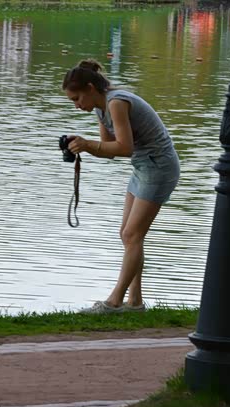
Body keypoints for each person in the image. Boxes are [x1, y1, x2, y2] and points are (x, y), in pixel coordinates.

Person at [62, 59, 180, 314]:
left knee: (131, 235)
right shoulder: (101, 108)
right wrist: (81, 146)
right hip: (143, 166)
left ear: (90, 88)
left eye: (77, 98)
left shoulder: (116, 103)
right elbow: (110, 151)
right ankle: (135, 302)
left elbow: (125, 148)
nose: (76, 105)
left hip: (159, 166)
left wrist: (88, 144)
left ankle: (114, 302)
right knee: (127, 234)